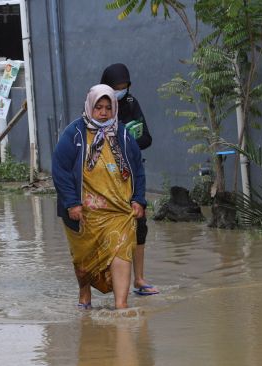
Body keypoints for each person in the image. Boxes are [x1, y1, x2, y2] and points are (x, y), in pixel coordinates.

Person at [52, 84, 147, 310]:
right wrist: (72, 203)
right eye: (98, 107)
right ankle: (85, 293)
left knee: (121, 249)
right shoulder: (74, 134)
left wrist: (138, 199)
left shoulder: (122, 134)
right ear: (90, 107)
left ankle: (121, 305)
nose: (103, 113)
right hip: (84, 213)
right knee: (84, 261)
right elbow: (60, 169)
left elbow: (137, 169)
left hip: (119, 210)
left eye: (108, 108)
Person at [100, 63, 158, 296]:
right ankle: (107, 281)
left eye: (124, 87)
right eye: (117, 87)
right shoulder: (98, 104)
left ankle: (139, 279)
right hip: (104, 178)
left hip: (130, 174)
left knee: (139, 224)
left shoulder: (131, 103)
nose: (120, 92)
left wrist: (127, 137)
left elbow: (146, 138)